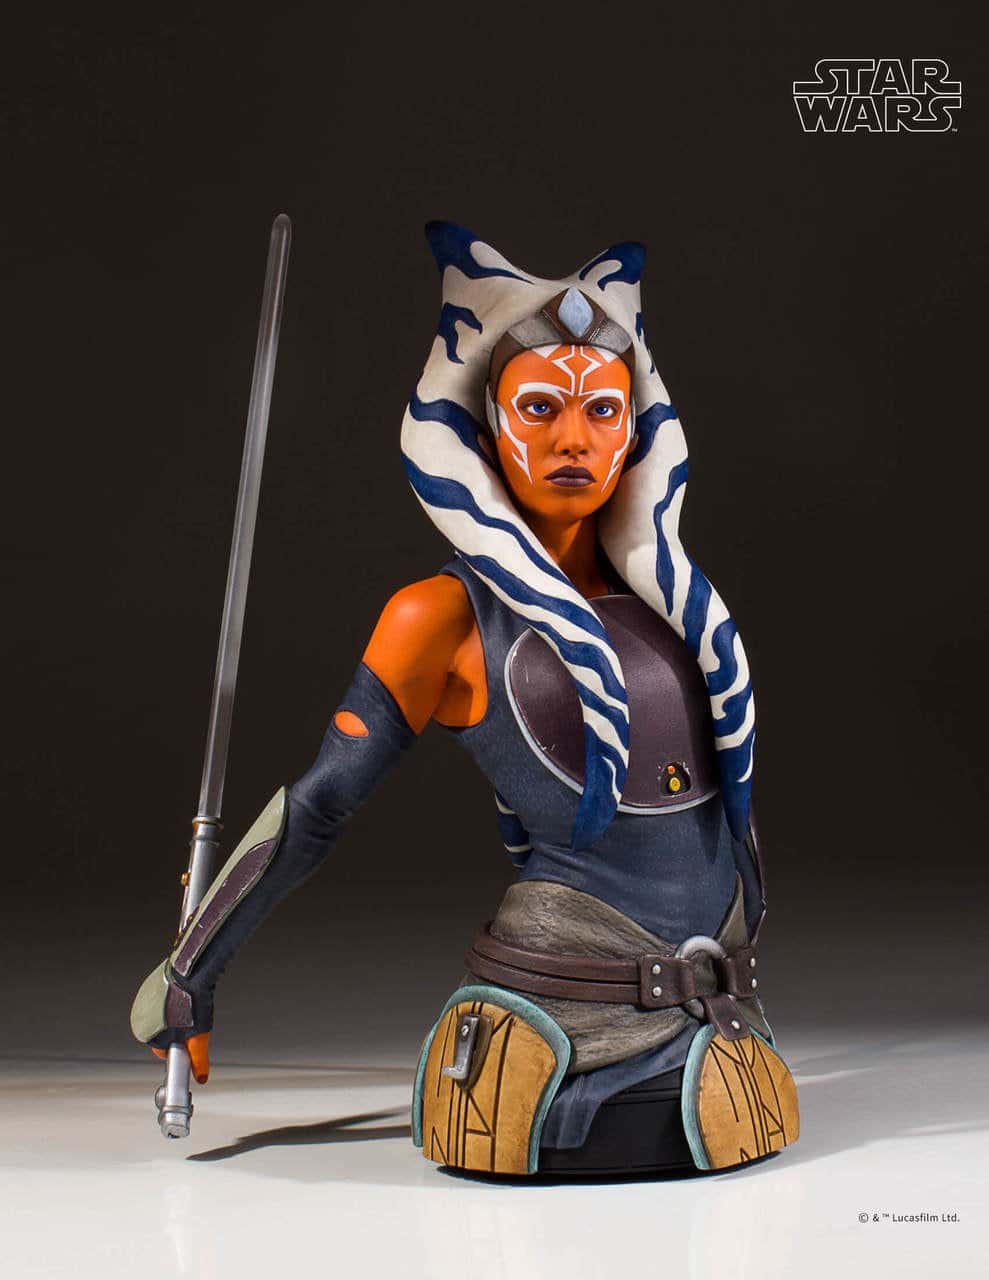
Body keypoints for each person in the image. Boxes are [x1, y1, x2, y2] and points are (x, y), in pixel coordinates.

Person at [132, 223, 799, 1176]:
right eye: (539, 408)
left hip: (723, 1025)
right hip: (555, 1033)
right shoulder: (439, 618)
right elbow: (319, 807)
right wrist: (190, 973)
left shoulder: (680, 609)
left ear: (636, 432)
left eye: (601, 410)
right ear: (483, 429)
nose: (573, 439)